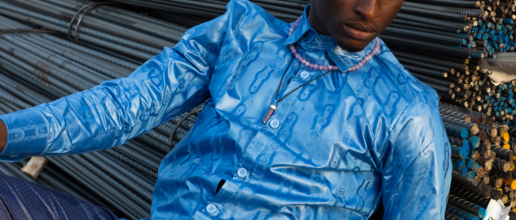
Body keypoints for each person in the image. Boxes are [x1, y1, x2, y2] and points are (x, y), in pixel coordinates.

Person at [0, 0, 452, 219]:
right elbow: (124, 106)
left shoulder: (407, 112)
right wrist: (5, 134)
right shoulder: (241, 34)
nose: (368, 8)